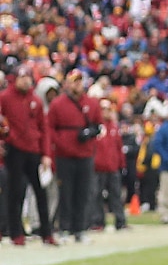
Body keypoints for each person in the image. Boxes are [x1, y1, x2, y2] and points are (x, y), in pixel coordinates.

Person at [1, 67, 54, 246]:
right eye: (22, 77)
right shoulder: (5, 98)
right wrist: (6, 139)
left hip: (33, 150)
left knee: (41, 192)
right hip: (14, 149)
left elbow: (44, 128)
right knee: (15, 192)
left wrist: (46, 153)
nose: (25, 81)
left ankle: (46, 232)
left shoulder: (36, 101)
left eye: (28, 78)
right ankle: (16, 232)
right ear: (14, 79)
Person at [47, 70, 98, 242]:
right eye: (74, 81)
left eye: (80, 81)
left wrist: (90, 132)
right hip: (65, 155)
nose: (77, 85)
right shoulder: (58, 104)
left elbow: (98, 125)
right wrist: (60, 143)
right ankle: (64, 228)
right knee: (66, 193)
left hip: (84, 154)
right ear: (67, 83)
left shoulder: (91, 103)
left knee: (82, 193)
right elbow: (50, 128)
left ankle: (80, 228)